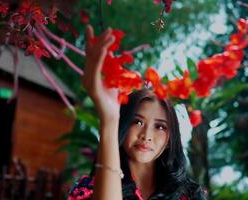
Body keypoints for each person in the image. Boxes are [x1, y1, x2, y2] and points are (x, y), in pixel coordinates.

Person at [68, 25, 208, 200]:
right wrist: (109, 118)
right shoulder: (88, 190)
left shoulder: (190, 195)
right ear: (124, 124)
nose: (146, 135)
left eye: (160, 126)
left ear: (171, 137)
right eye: (138, 122)